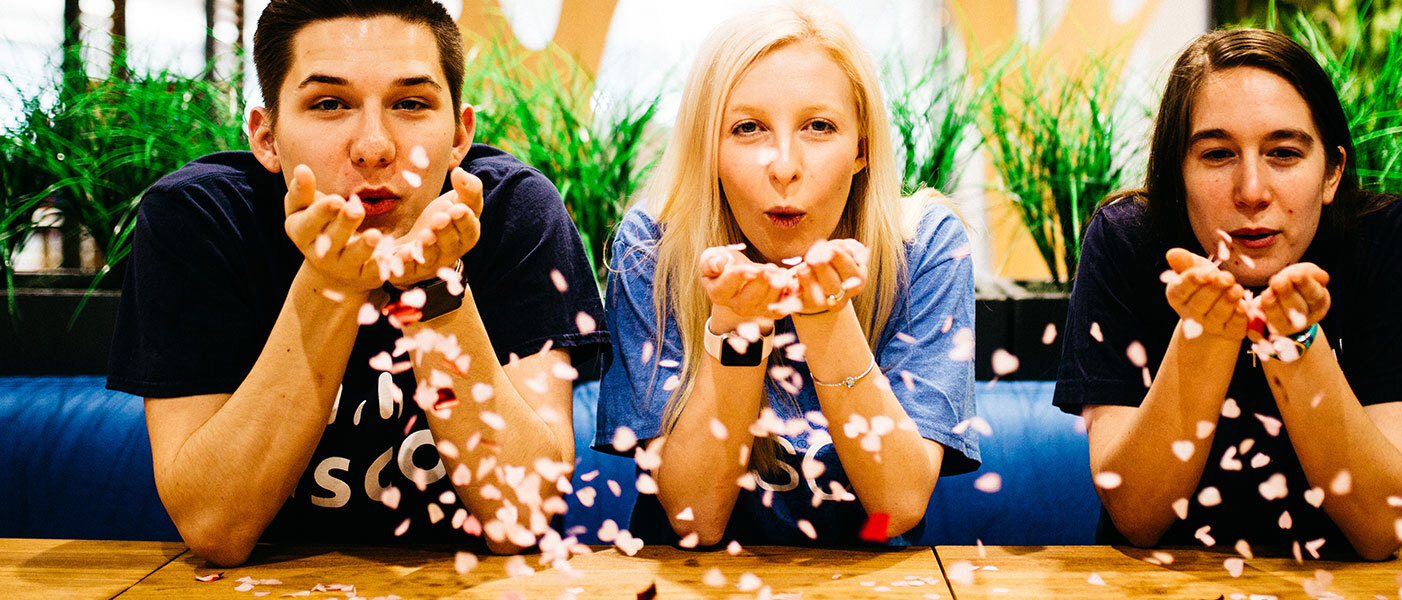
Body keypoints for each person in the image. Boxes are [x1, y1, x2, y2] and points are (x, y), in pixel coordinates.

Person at [106, 0, 606, 566]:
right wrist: (331, 281)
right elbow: (215, 526)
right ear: (267, 137)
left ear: (460, 135)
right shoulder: (200, 218)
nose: (374, 147)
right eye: (329, 103)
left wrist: (436, 288)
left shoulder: (514, 212)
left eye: (411, 103)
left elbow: (521, 518)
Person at [1053, 28, 1402, 560]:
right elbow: (1138, 518)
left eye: (1283, 153)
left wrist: (1296, 342)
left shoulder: (1385, 243)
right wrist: (1205, 334)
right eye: (1216, 154)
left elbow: (1383, 525)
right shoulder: (1127, 242)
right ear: (1177, 172)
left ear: (1332, 172)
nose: (1252, 191)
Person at [595, 4, 980, 547]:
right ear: (711, 148)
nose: (783, 165)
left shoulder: (924, 246)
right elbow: (693, 522)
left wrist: (826, 314)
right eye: (748, 128)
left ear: (861, 149)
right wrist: (736, 329)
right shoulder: (653, 250)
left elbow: (895, 507)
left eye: (818, 127)